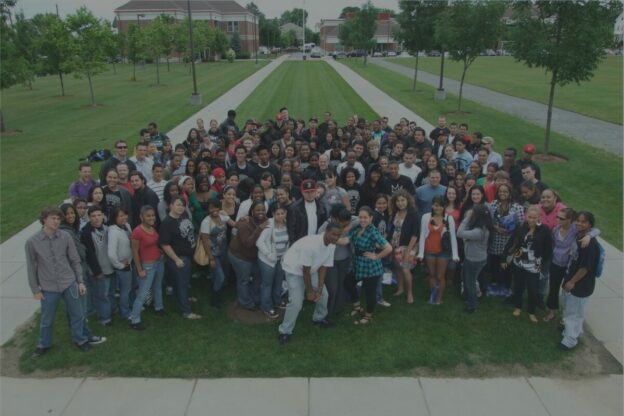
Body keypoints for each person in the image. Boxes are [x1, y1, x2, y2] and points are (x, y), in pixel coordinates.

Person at [27, 207, 105, 358]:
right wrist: (35, 290)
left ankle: (80, 340)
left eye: (58, 219)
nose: (56, 221)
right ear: (44, 220)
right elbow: (31, 267)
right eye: (53, 218)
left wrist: (80, 281)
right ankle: (43, 344)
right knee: (47, 318)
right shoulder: (32, 242)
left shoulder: (65, 236)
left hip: (69, 283)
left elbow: (75, 260)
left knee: (78, 314)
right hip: (49, 287)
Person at [277, 223, 343, 345]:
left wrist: (319, 288)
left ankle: (319, 318)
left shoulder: (332, 245)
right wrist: (310, 292)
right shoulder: (311, 245)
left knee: (324, 295)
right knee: (296, 303)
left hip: (311, 268)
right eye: (333, 234)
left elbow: (324, 266)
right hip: (294, 269)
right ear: (326, 231)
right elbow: (305, 270)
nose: (336, 237)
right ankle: (284, 331)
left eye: (338, 235)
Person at [337, 206, 393, 325]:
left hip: (371, 268)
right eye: (361, 217)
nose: (362, 220)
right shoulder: (357, 228)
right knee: (348, 281)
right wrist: (330, 238)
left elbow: (388, 248)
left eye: (365, 217)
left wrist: (376, 256)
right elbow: (346, 240)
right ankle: (357, 307)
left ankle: (368, 316)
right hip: (359, 265)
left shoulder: (373, 231)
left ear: (371, 218)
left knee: (369, 292)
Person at [544, 208, 599, 323]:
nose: (558, 220)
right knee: (553, 288)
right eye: (557, 217)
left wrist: (589, 236)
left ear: (570, 220)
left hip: (569, 266)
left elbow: (596, 230)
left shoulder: (575, 229)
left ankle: (566, 316)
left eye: (561, 218)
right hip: (556, 263)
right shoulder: (555, 230)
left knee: (567, 291)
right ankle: (552, 311)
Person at [501, 205, 552, 323]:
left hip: (534, 264)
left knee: (533, 289)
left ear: (539, 217)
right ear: (526, 216)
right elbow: (511, 242)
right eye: (530, 217)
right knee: (518, 286)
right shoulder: (521, 227)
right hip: (519, 262)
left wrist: (542, 263)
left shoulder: (544, 229)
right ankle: (518, 307)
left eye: (535, 217)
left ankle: (531, 311)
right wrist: (504, 258)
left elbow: (548, 249)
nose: (532, 220)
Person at [560, 211, 601, 350]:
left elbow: (585, 268)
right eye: (578, 220)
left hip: (580, 285)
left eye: (584, 222)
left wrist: (572, 282)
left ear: (590, 224)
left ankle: (570, 341)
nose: (579, 223)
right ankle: (572, 331)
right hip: (571, 279)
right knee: (570, 309)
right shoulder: (580, 236)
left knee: (575, 313)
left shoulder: (590, 245)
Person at [160, 197, 201, 319]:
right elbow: (164, 244)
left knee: (185, 282)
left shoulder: (184, 216)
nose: (181, 207)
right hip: (179, 258)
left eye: (183, 205)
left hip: (189, 256)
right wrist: (176, 259)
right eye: (178, 205)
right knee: (182, 284)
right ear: (171, 206)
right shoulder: (167, 223)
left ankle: (185, 298)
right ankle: (186, 312)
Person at [417, 196, 459, 305]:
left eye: (441, 205)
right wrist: (421, 253)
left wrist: (455, 255)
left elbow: (453, 237)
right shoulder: (426, 217)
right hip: (429, 251)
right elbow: (422, 235)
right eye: (436, 205)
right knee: (432, 275)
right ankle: (433, 296)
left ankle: (439, 299)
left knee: (440, 276)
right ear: (432, 206)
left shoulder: (449, 218)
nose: (438, 208)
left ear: (444, 206)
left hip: (443, 252)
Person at [130, 206, 165, 330]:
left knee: (158, 286)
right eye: (148, 216)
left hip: (159, 262)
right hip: (148, 265)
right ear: (141, 217)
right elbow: (134, 251)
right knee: (142, 293)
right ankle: (135, 319)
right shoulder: (137, 231)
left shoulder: (152, 228)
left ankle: (158, 307)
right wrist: (140, 270)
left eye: (152, 215)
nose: (151, 218)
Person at [228, 201, 268, 311]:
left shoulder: (265, 221)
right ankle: (245, 302)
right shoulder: (244, 224)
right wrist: (259, 229)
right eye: (258, 210)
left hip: (254, 256)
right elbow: (248, 243)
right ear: (252, 212)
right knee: (244, 280)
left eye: (263, 210)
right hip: (240, 256)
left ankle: (255, 298)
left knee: (258, 276)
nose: (261, 212)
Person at [487, 183, 525, 291]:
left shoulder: (517, 207)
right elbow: (488, 221)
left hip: (509, 241)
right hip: (495, 240)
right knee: (495, 264)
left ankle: (506, 286)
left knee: (506, 266)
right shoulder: (493, 204)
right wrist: (495, 227)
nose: (502, 193)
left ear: (510, 193)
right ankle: (495, 284)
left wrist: (511, 230)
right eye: (500, 191)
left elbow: (522, 225)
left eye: (505, 191)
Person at [81, 206, 115, 326]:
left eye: (99, 215)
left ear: (103, 216)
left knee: (110, 292)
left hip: (110, 267)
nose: (96, 218)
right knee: (101, 295)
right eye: (93, 216)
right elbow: (89, 254)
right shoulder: (86, 233)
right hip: (98, 270)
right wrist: (97, 271)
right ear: (89, 218)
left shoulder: (107, 229)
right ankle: (104, 318)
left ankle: (111, 310)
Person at [256, 202, 290, 319]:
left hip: (281, 260)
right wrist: (268, 254)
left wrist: (285, 255)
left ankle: (277, 301)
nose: (280, 216)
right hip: (267, 260)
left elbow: (288, 242)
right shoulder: (269, 225)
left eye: (282, 213)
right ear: (273, 214)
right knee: (267, 284)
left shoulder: (287, 224)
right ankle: (266, 307)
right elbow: (259, 242)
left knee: (278, 281)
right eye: (278, 214)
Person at [200, 200, 235, 309]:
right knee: (220, 276)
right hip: (213, 254)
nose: (214, 210)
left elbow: (234, 224)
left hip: (224, 252)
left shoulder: (222, 216)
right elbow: (205, 241)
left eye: (216, 208)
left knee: (220, 276)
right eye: (211, 208)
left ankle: (219, 294)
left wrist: (244, 219)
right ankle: (215, 301)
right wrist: (211, 259)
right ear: (208, 210)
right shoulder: (206, 222)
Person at [457, 204, 492, 313]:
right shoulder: (481, 227)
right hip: (472, 258)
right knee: (466, 278)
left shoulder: (479, 231)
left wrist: (467, 218)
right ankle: (468, 297)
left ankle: (472, 306)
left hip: (474, 261)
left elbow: (460, 233)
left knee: (470, 283)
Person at [388, 190, 420, 304]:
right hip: (395, 244)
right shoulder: (395, 212)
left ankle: (410, 293)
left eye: (403, 200)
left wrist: (408, 250)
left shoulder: (413, 213)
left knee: (406, 269)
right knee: (397, 267)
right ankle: (400, 289)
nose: (400, 203)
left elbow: (416, 233)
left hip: (409, 245)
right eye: (398, 201)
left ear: (408, 200)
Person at [107, 207, 133, 322]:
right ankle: (125, 312)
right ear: (114, 218)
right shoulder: (113, 232)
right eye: (120, 216)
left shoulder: (127, 226)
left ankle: (132, 306)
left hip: (131, 263)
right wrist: (119, 265)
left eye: (125, 215)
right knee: (125, 290)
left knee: (131, 287)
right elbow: (111, 253)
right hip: (123, 267)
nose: (124, 218)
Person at [287, 179, 328, 244]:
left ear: (316, 191)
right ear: (302, 192)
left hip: (317, 242)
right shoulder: (294, 208)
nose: (310, 194)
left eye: (312, 191)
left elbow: (324, 227)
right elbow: (291, 230)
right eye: (307, 192)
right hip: (300, 243)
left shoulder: (322, 207)